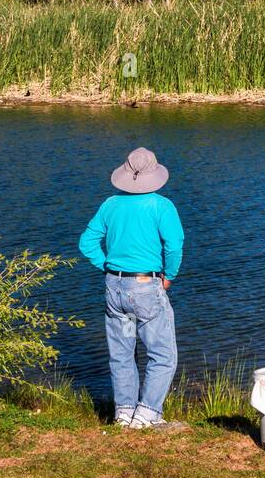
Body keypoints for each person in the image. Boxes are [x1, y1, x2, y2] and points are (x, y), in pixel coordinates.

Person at [78, 147, 185, 428]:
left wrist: (106, 266)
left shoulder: (110, 204)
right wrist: (169, 277)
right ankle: (147, 414)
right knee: (162, 354)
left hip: (115, 287)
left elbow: (86, 242)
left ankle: (124, 413)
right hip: (146, 286)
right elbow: (174, 246)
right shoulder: (162, 206)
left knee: (122, 353)